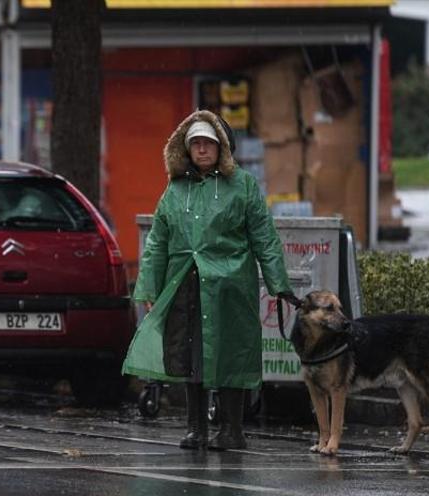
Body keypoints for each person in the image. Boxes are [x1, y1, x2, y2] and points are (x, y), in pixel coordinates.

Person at [122, 110, 300, 451]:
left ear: (221, 147)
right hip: (184, 285)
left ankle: (232, 430)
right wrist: (149, 287)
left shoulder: (243, 185)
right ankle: (196, 429)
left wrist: (279, 284)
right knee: (191, 357)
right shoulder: (175, 190)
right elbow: (157, 241)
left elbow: (264, 235)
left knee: (231, 354)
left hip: (230, 287)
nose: (202, 150)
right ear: (186, 150)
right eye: (196, 144)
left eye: (208, 143)